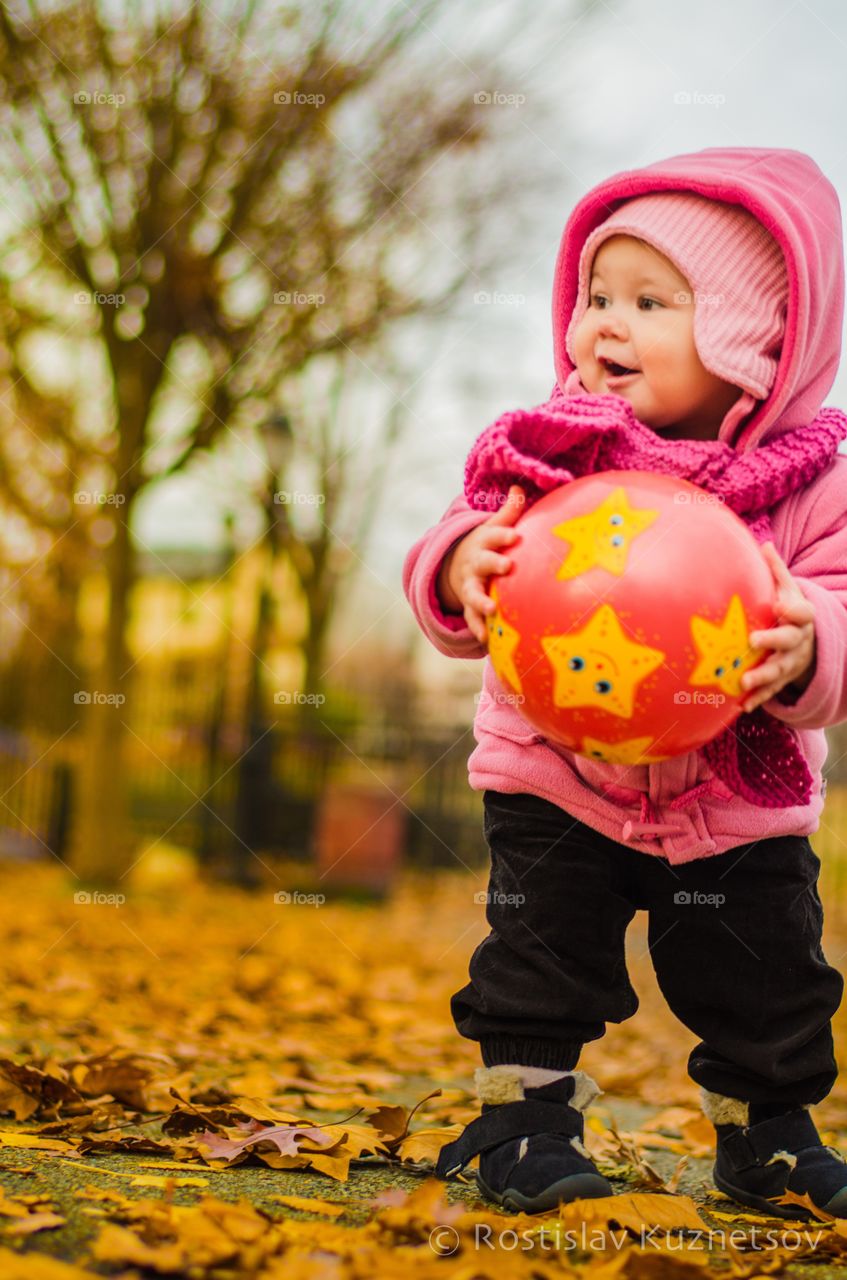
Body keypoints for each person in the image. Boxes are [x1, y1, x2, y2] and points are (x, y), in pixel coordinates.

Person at [402, 147, 847, 1218]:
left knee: (765, 976)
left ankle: (766, 1134)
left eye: (650, 301)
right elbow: (465, 543)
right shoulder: (554, 451)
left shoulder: (812, 484)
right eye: (597, 294)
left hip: (731, 801)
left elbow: (839, 595)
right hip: (557, 769)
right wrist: (462, 569)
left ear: (754, 337)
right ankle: (522, 1117)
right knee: (537, 951)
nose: (604, 321)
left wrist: (809, 641)